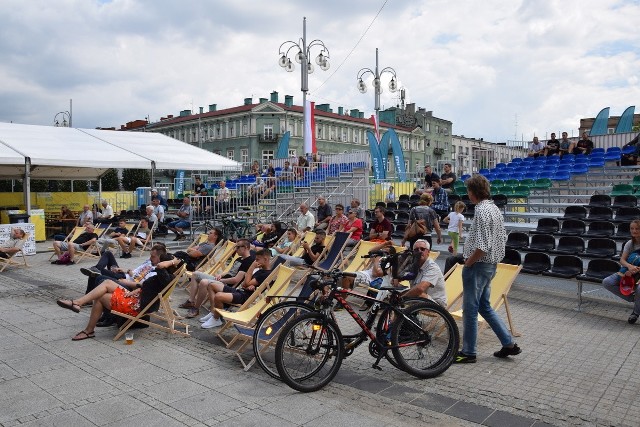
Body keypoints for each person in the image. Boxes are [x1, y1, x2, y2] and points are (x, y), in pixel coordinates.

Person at [454, 174, 519, 364]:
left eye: (468, 191)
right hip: (490, 265)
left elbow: (482, 245)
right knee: (485, 306)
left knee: (470, 309)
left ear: (473, 192)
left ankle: (469, 352)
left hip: (478, 265)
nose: (468, 194)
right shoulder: (494, 209)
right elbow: (501, 238)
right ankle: (509, 344)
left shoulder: (482, 211)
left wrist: (468, 263)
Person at [56, 246, 180, 340]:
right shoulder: (164, 275)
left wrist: (170, 262)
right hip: (135, 297)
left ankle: (87, 326)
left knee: (100, 296)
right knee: (107, 283)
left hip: (136, 305)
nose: (152, 260)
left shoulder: (165, 276)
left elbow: (166, 265)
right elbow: (151, 287)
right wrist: (138, 290)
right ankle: (78, 304)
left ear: (164, 264)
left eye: (159, 261)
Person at [180, 239, 255, 317]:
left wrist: (222, 280)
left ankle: (196, 308)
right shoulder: (239, 259)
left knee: (204, 282)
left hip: (226, 285)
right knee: (195, 274)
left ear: (246, 247)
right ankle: (191, 301)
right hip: (222, 279)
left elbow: (236, 280)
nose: (235, 249)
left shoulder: (249, 261)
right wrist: (221, 275)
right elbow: (230, 272)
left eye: (238, 247)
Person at [199, 248, 272, 329]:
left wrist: (251, 268)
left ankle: (216, 319)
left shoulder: (266, 274)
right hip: (241, 291)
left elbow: (247, 283)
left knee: (218, 296)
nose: (255, 261)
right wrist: (249, 283)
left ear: (265, 259)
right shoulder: (260, 271)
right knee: (212, 285)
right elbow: (244, 284)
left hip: (245, 297)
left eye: (257, 259)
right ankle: (214, 312)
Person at [602, 220, 640, 324]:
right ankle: (635, 299)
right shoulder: (630, 243)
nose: (634, 231)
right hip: (628, 270)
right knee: (607, 282)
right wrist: (629, 267)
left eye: (637, 228)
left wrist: (634, 270)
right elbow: (622, 260)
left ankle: (635, 313)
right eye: (632, 228)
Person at [402, 240, 446, 306]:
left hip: (437, 305)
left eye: (422, 249)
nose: (419, 251)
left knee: (417, 293)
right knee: (397, 292)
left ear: (428, 252)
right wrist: (396, 278)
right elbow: (399, 275)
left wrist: (402, 299)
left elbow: (420, 289)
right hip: (420, 301)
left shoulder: (432, 268)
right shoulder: (413, 264)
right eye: (416, 250)